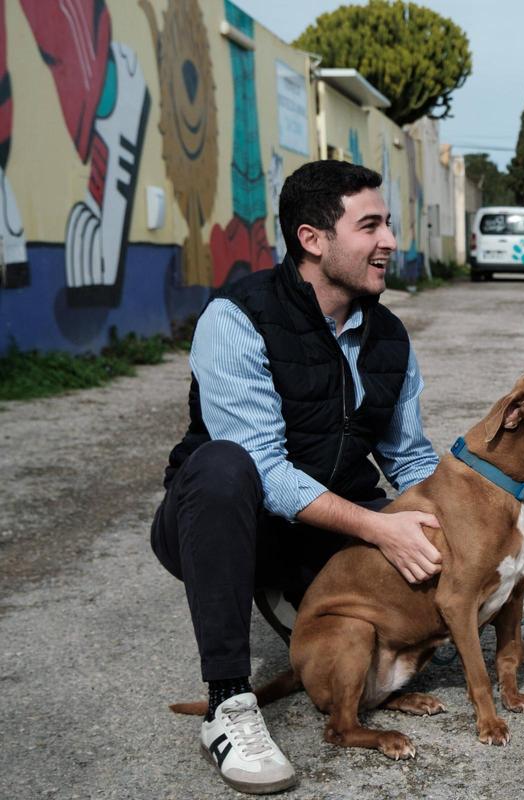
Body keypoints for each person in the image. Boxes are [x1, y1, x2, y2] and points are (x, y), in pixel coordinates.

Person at [150, 160, 443, 794]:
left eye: (387, 224)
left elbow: (411, 459)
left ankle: (308, 611)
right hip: (226, 523)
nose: (390, 241)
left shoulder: (388, 335)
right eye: (370, 226)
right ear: (313, 239)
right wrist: (378, 528)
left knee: (414, 614)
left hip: (321, 530)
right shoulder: (235, 317)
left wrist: (473, 530)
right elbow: (264, 469)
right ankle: (230, 707)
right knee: (225, 466)